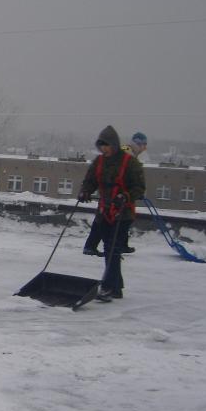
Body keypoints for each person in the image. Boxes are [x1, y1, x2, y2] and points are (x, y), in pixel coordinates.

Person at [77, 125, 146, 301]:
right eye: (101, 146)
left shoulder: (129, 163)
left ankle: (109, 287)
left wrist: (126, 196)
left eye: (107, 145)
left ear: (114, 145)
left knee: (112, 248)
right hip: (104, 210)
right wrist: (85, 191)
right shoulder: (98, 162)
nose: (104, 149)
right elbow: (90, 181)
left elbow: (139, 187)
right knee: (110, 250)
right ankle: (115, 287)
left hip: (122, 212)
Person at [82, 129, 147, 256]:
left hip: (119, 203)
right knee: (105, 229)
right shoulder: (127, 155)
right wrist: (86, 191)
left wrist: (129, 194)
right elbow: (93, 179)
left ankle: (118, 247)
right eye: (143, 145)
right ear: (138, 144)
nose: (144, 148)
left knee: (117, 230)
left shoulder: (131, 156)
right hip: (111, 203)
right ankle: (102, 247)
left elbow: (137, 184)